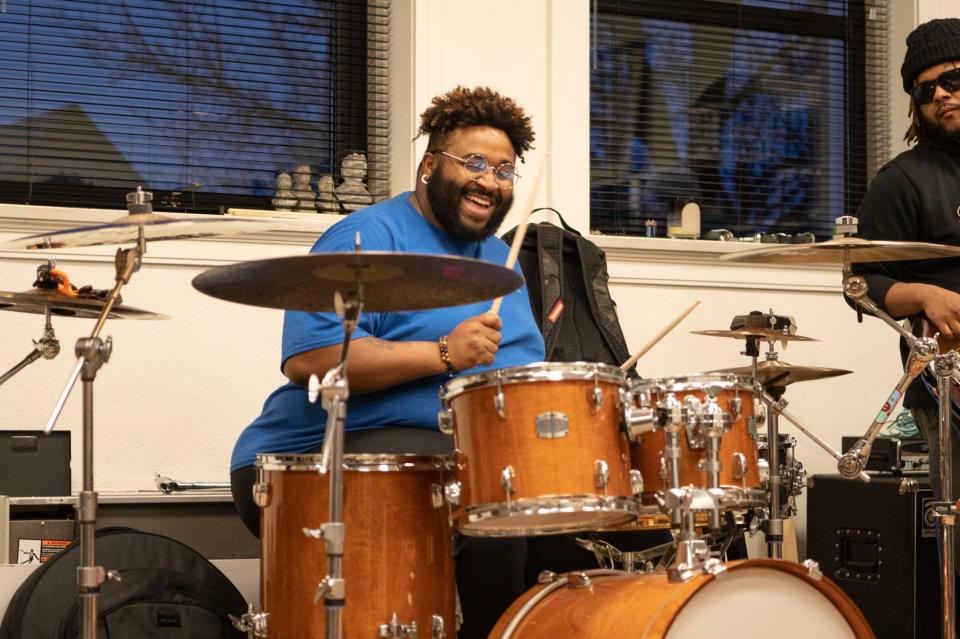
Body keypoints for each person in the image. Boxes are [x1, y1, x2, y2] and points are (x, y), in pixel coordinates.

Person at [229, 86, 546, 638]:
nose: (490, 181)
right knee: (486, 500)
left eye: (504, 170)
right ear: (429, 165)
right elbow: (311, 360)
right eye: (474, 163)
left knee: (566, 520)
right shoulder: (365, 238)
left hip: (451, 460)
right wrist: (443, 352)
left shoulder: (504, 263)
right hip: (309, 458)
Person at [853, 17, 960, 552]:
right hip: (948, 380)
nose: (941, 93)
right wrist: (922, 294)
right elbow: (862, 282)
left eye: (954, 79)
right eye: (926, 89)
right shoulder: (902, 181)